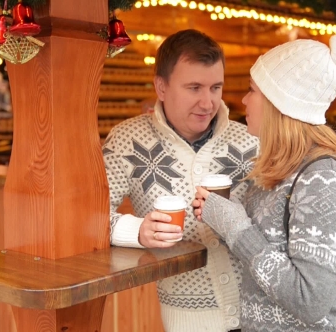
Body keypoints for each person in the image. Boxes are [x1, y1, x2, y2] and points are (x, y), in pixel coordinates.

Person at [192, 35, 336, 331]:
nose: (244, 100)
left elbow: (310, 301)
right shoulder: (279, 169)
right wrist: (223, 219)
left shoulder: (325, 181)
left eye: (252, 91)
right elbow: (262, 255)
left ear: (279, 104)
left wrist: (236, 227)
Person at [102, 29, 259, 332]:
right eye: (194, 87)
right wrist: (138, 231)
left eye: (216, 87)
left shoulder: (251, 140)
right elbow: (88, 217)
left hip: (262, 314)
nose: (208, 102)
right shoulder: (127, 140)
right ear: (161, 87)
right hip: (187, 321)